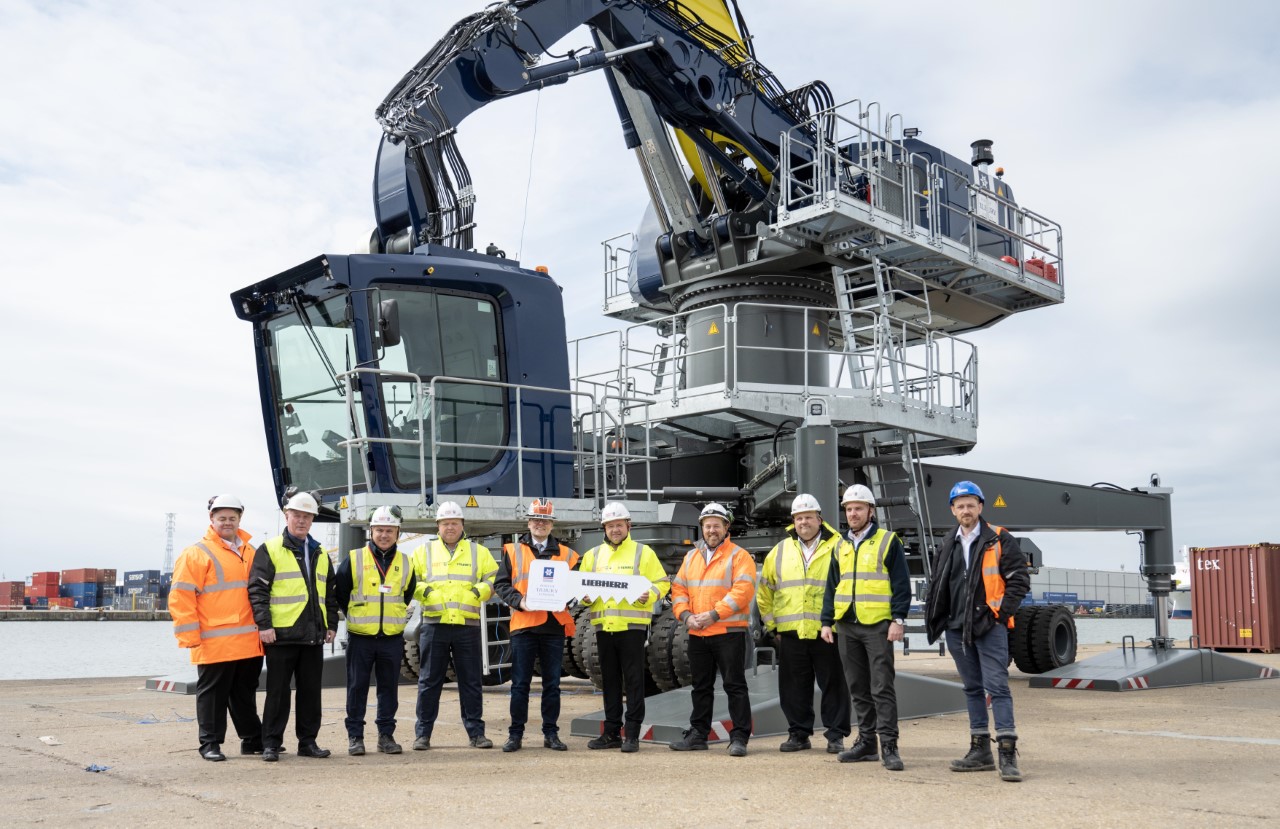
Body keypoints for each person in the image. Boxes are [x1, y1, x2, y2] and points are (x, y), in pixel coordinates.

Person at [924, 480, 1030, 782]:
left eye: (971, 504)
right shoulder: (948, 542)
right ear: (953, 510)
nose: (966, 510)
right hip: (957, 627)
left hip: (989, 626)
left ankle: (1007, 753)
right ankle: (979, 749)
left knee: (997, 687)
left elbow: (1019, 580)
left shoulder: (999, 538)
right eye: (960, 505)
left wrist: (1000, 615)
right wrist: (938, 617)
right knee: (971, 688)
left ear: (980, 507)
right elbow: (937, 584)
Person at [820, 484, 911, 771]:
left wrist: (898, 619)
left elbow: (900, 583)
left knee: (881, 687)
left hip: (877, 626)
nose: (853, 513)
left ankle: (890, 745)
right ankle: (867, 743)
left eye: (859, 508)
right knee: (857, 687)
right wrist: (826, 622)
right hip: (847, 624)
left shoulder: (887, 541)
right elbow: (832, 586)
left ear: (871, 511)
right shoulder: (840, 545)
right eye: (849, 509)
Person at [170, 495, 264, 761]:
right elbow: (181, 596)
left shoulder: (251, 551)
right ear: (211, 519)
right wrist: (189, 636)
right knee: (212, 695)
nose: (227, 522)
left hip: (249, 640)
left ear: (239, 520)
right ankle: (210, 743)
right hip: (215, 641)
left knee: (244, 693)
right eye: (221, 518)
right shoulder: (196, 553)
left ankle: (252, 739)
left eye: (232, 518)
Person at [757, 493, 851, 756]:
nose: (803, 522)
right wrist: (772, 626)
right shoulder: (780, 551)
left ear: (819, 519)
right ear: (793, 521)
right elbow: (765, 592)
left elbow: (847, 586)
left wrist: (837, 622)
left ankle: (836, 735)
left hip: (827, 631)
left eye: (808, 517)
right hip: (791, 632)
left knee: (833, 685)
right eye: (799, 518)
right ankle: (798, 734)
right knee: (793, 687)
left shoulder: (839, 547)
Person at [248, 491, 339, 762]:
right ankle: (271, 744)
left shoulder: (321, 553)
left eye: (307, 516)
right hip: (281, 635)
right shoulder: (271, 549)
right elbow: (257, 590)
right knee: (277, 694)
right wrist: (264, 625)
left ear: (313, 519)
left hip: (313, 636)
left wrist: (331, 624)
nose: (302, 520)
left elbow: (330, 593)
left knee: (311, 694)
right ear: (286, 516)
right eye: (297, 515)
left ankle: (308, 742)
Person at [579, 501, 669, 753]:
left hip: (632, 627)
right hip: (603, 627)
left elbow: (662, 583)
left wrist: (649, 595)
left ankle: (632, 734)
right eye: (610, 526)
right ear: (604, 529)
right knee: (609, 682)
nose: (615, 529)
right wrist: (584, 596)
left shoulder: (644, 553)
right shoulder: (593, 555)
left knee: (633, 681)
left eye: (619, 524)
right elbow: (582, 587)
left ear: (628, 525)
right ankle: (610, 733)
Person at [668, 503, 757, 757]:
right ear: (702, 528)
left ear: (726, 527)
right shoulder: (691, 557)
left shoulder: (739, 556)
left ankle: (739, 737)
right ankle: (698, 734)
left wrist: (714, 614)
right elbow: (679, 590)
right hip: (698, 632)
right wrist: (686, 617)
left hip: (728, 631)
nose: (711, 530)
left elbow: (742, 591)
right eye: (707, 526)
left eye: (716, 525)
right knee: (700, 686)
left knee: (735, 685)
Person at [410, 500, 498, 750]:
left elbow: (493, 578)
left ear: (462, 525)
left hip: (467, 625)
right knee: (429, 680)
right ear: (438, 526)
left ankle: (476, 734)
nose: (450, 527)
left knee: (471, 681)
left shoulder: (478, 552)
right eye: (445, 523)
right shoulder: (422, 551)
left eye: (455, 523)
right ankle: (423, 734)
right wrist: (426, 592)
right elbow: (410, 581)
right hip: (434, 624)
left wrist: (479, 591)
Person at [494, 499, 579, 752]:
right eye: (536, 519)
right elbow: (501, 585)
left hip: (553, 626)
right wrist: (520, 601)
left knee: (552, 684)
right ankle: (515, 734)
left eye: (545, 520)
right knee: (520, 684)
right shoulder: (512, 550)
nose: (540, 524)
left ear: (552, 524)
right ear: (529, 522)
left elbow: (575, 587)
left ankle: (551, 734)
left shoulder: (568, 554)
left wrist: (571, 599)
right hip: (524, 625)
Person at [333, 505, 416, 756]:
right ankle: (355, 737)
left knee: (389, 688)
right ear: (371, 531)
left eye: (389, 530)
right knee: (357, 687)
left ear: (398, 532)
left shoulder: (406, 562)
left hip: (391, 638)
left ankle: (386, 736)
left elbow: (406, 595)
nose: (384, 535)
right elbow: (341, 593)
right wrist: (358, 618)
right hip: (361, 638)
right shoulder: (355, 558)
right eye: (379, 529)